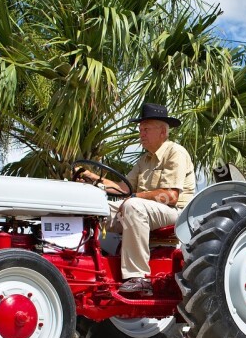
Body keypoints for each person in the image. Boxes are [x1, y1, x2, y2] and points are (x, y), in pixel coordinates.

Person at [77, 103, 195, 295]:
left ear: (163, 132)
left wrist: (134, 197)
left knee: (133, 206)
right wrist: (91, 177)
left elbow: (171, 197)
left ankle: (138, 277)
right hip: (146, 209)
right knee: (97, 207)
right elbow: (123, 189)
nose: (141, 134)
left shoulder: (176, 153)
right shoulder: (144, 160)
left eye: (146, 129)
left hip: (176, 213)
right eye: (140, 130)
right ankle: (85, 260)